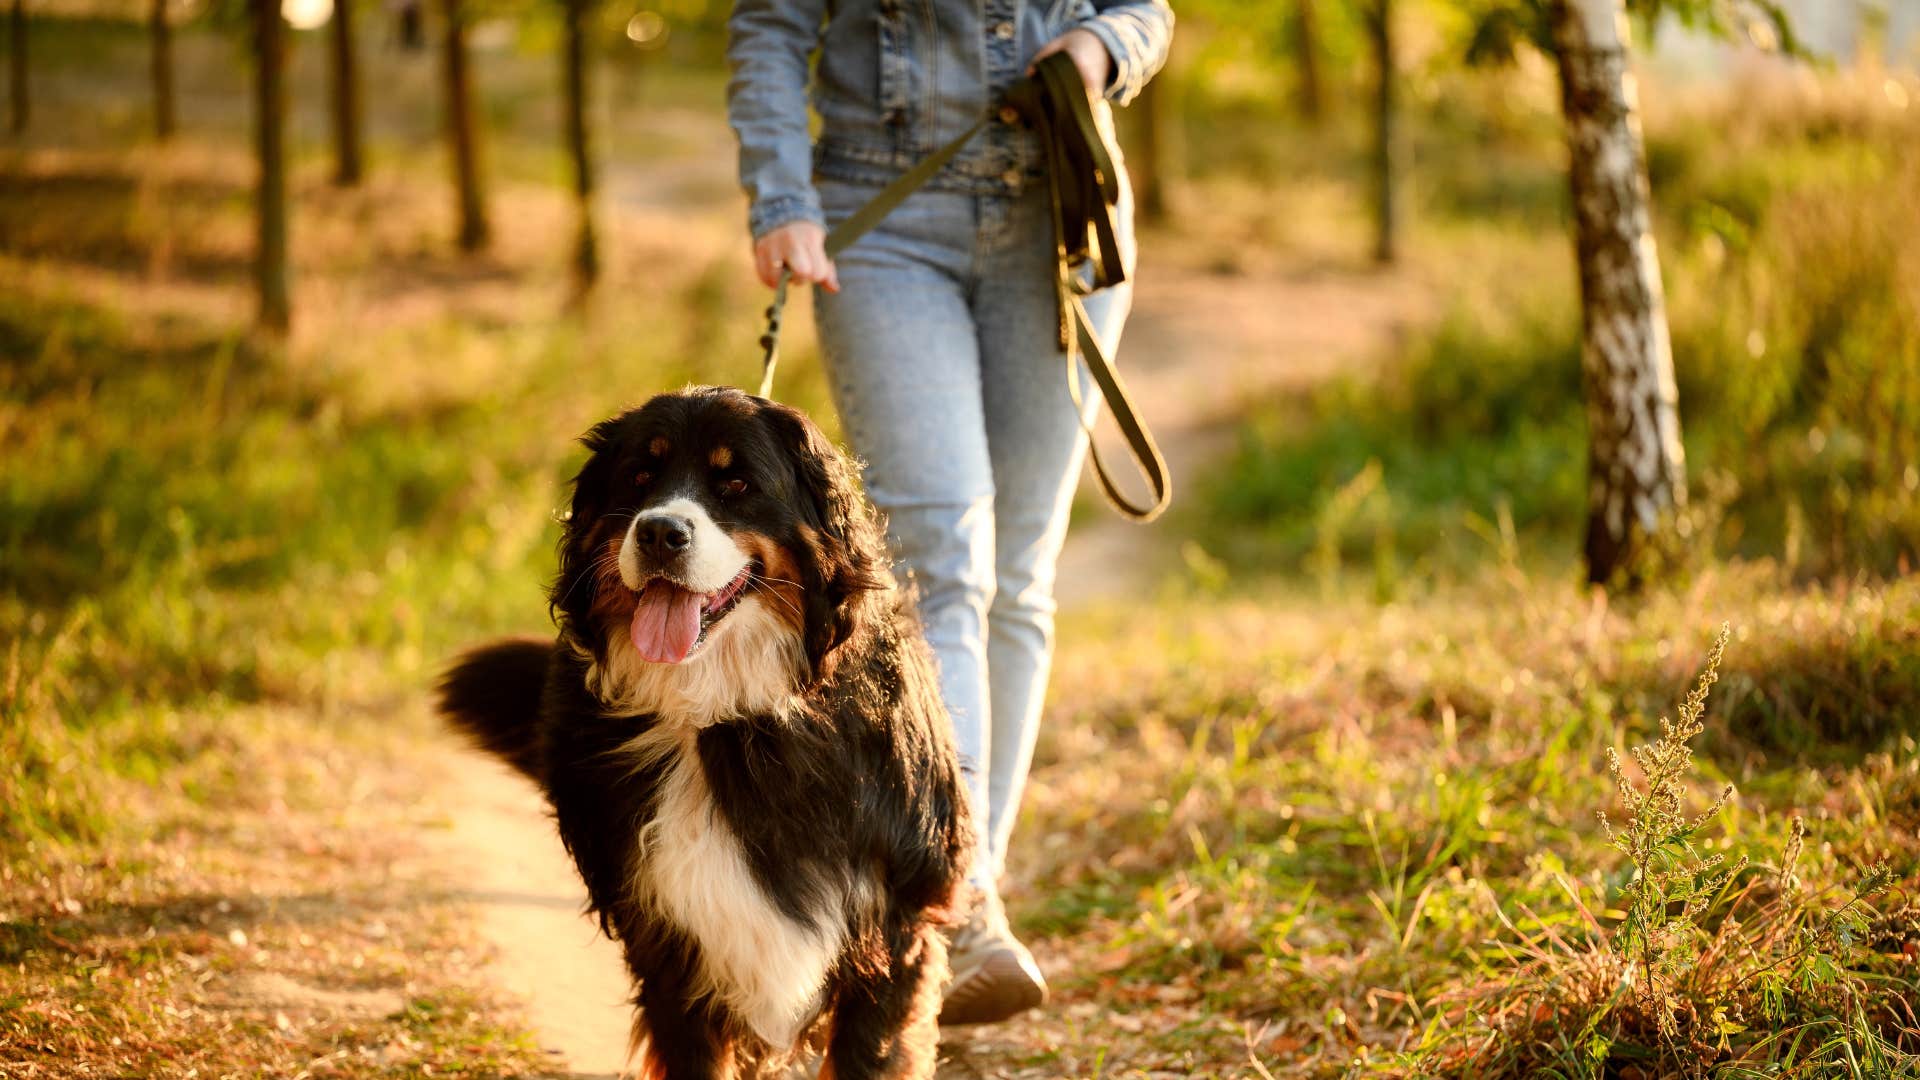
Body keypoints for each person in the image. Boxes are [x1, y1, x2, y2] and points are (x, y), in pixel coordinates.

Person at [726, 0, 1173, 1025]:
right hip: (887, 216)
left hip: (1062, 206)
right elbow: (771, 21)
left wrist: (1103, 48)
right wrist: (781, 195)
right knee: (940, 558)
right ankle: (961, 908)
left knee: (1016, 575)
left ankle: (964, 889)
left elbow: (1146, 8)